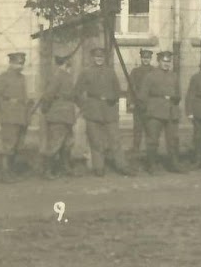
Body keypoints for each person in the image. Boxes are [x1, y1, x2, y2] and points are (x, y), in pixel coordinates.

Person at [75, 46, 130, 177]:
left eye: (101, 57)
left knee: (115, 140)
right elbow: (76, 93)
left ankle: (122, 165)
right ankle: (98, 167)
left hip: (109, 110)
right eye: (96, 57)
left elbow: (118, 91)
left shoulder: (111, 72)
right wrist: (84, 106)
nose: (99, 59)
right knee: (96, 141)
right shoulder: (86, 72)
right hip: (93, 111)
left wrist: (113, 99)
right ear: (92, 58)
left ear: (104, 58)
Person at [0, 51, 33, 182]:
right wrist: (2, 109)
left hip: (21, 116)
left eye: (22, 63)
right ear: (11, 63)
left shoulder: (22, 78)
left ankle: (11, 172)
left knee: (17, 145)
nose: (20, 66)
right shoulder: (3, 77)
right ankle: (4, 174)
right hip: (9, 115)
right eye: (18, 63)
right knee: (8, 145)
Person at [140, 50, 184, 173]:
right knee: (153, 140)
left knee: (173, 140)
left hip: (171, 112)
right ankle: (151, 165)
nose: (166, 64)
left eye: (168, 61)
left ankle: (174, 164)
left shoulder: (174, 76)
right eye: (164, 61)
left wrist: (174, 100)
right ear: (158, 61)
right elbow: (143, 96)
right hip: (155, 112)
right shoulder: (150, 76)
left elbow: (178, 94)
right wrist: (147, 110)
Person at [40, 53, 79, 178]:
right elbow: (48, 95)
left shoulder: (66, 76)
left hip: (67, 115)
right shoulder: (58, 76)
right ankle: (47, 170)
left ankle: (65, 168)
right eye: (69, 60)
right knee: (55, 144)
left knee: (67, 143)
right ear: (65, 61)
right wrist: (46, 110)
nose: (71, 62)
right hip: (58, 115)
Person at [128, 48, 155, 159]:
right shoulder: (135, 71)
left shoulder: (154, 71)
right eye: (144, 58)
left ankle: (150, 149)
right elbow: (130, 87)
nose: (145, 60)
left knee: (150, 127)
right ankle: (136, 147)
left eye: (148, 58)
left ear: (150, 59)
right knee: (137, 127)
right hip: (138, 102)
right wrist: (131, 102)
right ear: (141, 58)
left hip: (151, 103)